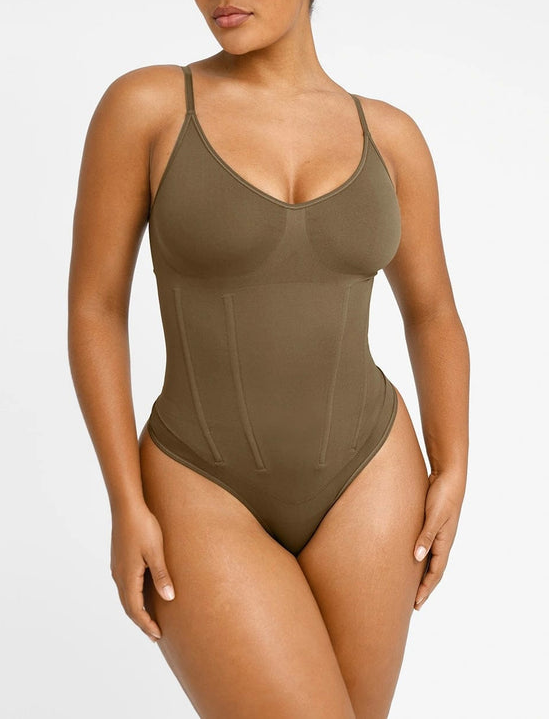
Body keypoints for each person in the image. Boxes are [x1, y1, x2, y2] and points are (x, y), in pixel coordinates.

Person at [68, 1, 470, 716]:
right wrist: (125, 501)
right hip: (199, 483)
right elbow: (96, 308)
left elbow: (433, 309)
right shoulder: (149, 107)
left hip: (370, 479)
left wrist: (454, 464)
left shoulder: (391, 136)